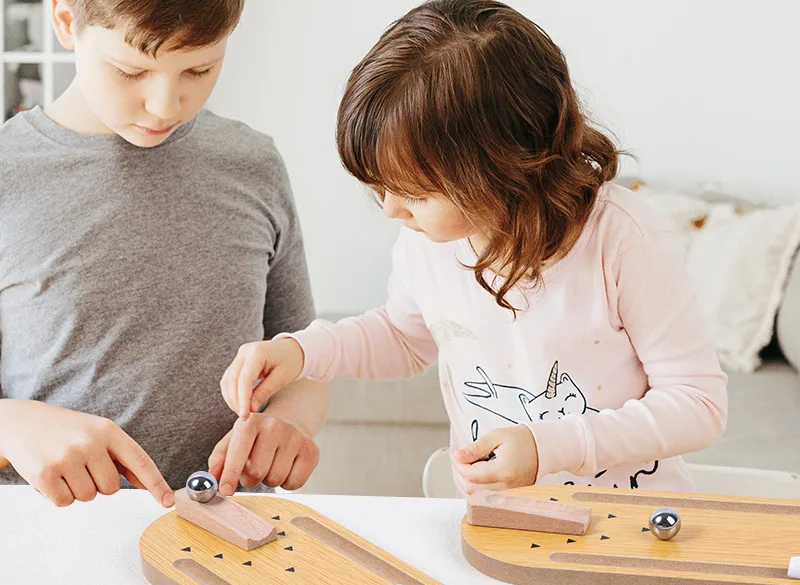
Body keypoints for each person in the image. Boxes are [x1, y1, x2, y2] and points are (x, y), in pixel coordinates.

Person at [220, 0, 727, 496]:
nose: (392, 211)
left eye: (415, 194)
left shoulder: (625, 239)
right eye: (380, 189)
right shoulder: (429, 242)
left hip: (627, 528)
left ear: (499, 169)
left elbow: (698, 403)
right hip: (499, 522)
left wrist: (549, 446)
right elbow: (402, 336)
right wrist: (301, 351)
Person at [0, 0, 328, 508]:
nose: (166, 106)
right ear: (66, 22)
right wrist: (10, 426)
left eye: (199, 68)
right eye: (132, 71)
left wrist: (288, 423)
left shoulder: (253, 164)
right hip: (50, 547)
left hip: (232, 536)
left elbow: (305, 360)